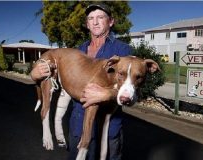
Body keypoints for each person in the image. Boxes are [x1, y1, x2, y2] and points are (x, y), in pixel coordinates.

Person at [30, 3, 131, 160]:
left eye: (100, 17)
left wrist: (107, 94)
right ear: (87, 24)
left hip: (108, 130)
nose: (95, 22)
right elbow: (62, 85)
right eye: (91, 18)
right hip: (77, 127)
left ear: (111, 21)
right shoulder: (78, 51)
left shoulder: (123, 51)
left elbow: (135, 92)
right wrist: (36, 75)